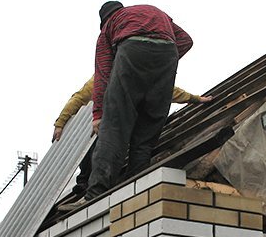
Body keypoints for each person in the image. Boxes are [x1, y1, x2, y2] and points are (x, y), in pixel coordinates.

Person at [83, 1, 193, 202]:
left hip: (131, 50)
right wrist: (161, 63)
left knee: (114, 125)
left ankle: (95, 194)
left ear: (103, 20)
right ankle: (137, 186)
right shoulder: (151, 10)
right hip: (167, 54)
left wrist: (98, 114)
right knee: (147, 130)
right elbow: (185, 40)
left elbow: (103, 73)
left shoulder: (109, 27)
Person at [52, 75, 211, 197]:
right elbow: (79, 98)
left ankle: (133, 180)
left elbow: (168, 91)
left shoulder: (142, 75)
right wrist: (61, 122)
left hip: (129, 127)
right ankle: (86, 182)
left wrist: (195, 99)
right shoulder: (103, 77)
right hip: (108, 126)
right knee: (95, 144)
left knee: (132, 147)